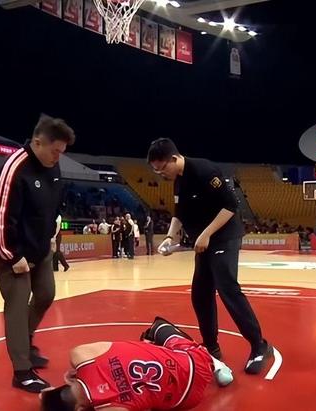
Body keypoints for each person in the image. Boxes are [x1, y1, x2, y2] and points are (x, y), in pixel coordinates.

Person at [148, 138, 272, 375]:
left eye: (162, 169)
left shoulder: (205, 170)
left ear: (174, 159)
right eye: (157, 171)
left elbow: (231, 206)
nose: (161, 174)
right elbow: (179, 212)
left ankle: (259, 345)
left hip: (224, 236)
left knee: (227, 288)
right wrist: (170, 236)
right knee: (200, 293)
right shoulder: (178, 181)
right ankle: (211, 348)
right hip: (203, 242)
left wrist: (206, 234)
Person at [0, 115, 76, 393]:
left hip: (40, 248)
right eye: (55, 151)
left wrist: (50, 237)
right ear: (37, 142)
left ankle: (24, 342)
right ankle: (22, 371)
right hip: (11, 251)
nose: (58, 157)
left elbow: (52, 206)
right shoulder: (14, 168)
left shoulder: (53, 165)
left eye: (61, 152)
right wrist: (12, 256)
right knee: (17, 304)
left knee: (46, 294)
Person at [40, 317, 232, 411]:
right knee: (157, 327)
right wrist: (78, 372)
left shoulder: (109, 408)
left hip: (185, 400)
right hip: (195, 362)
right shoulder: (80, 355)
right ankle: (215, 363)